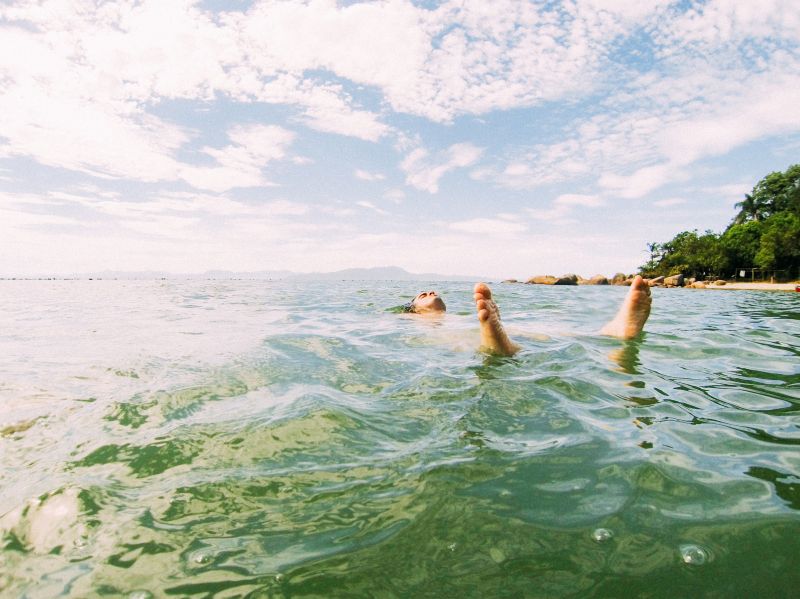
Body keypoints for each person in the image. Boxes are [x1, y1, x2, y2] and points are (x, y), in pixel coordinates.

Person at [403, 275, 652, 356]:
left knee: (538, 332)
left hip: (474, 327)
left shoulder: (457, 315)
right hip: (448, 336)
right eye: (422, 294)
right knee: (455, 337)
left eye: (431, 290)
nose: (430, 292)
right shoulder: (409, 320)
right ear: (413, 309)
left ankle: (611, 332)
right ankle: (496, 341)